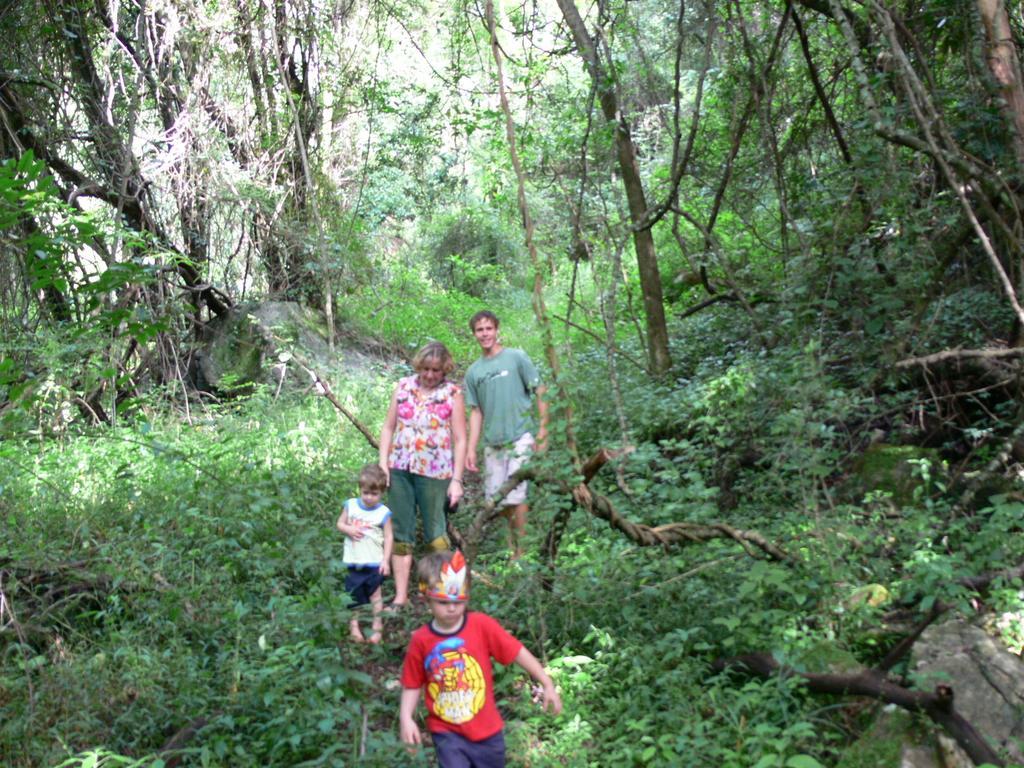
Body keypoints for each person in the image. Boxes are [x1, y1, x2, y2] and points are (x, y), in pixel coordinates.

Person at [398, 550, 562, 766]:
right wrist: (405, 718)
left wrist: (546, 682)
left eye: (458, 602)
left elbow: (517, 651)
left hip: (487, 733)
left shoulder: (481, 626)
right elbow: (412, 683)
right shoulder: (421, 640)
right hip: (447, 733)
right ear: (426, 598)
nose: (452, 608)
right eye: (443, 602)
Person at [379, 341, 467, 608]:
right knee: (400, 531)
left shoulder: (453, 393)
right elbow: (388, 428)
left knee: (436, 533)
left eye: (436, 370)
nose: (430, 375)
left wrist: (457, 480)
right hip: (400, 469)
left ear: (445, 370)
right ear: (419, 366)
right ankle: (401, 596)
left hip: (435, 472)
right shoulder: (403, 387)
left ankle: (440, 591)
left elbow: (460, 439)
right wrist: (383, 464)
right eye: (426, 369)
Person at [464, 311, 548, 558]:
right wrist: (471, 447)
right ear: (474, 334)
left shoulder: (516, 358)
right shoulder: (473, 372)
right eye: (480, 330)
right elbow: (476, 412)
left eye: (488, 328)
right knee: (500, 499)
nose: (485, 334)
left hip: (520, 436)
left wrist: (543, 429)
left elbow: (540, 390)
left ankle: (521, 553)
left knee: (518, 494)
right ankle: (513, 548)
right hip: (493, 442)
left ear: (497, 329)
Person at [337, 463, 393, 644]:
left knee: (376, 596)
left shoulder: (383, 513)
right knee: (354, 596)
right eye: (365, 493)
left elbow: (389, 536)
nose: (369, 498)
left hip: (374, 562)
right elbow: (340, 524)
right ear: (360, 489)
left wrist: (386, 560)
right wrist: (349, 529)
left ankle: (377, 628)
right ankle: (354, 626)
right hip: (354, 561)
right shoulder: (351, 506)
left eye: (374, 494)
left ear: (382, 492)